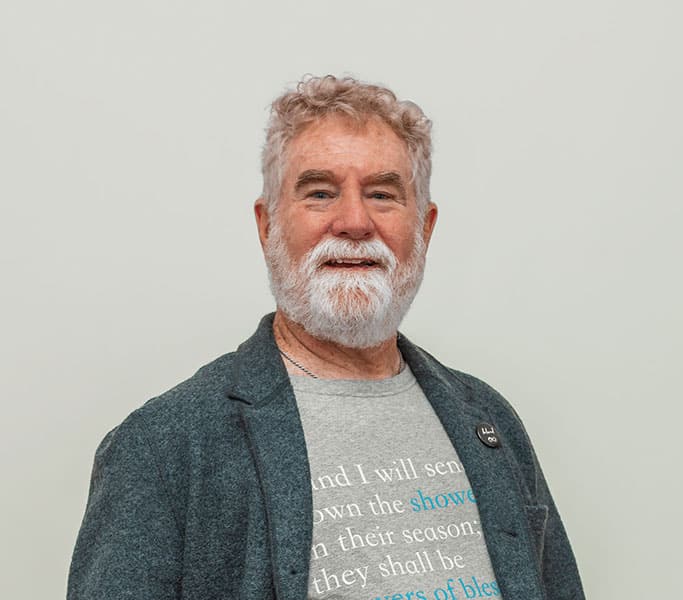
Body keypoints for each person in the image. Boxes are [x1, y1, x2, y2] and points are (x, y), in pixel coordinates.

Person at [68, 75, 584, 600]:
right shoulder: (161, 450)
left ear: (425, 228)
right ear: (267, 225)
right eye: (320, 192)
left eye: (383, 194)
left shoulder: (489, 420)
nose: (355, 221)